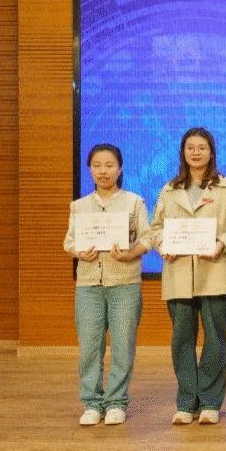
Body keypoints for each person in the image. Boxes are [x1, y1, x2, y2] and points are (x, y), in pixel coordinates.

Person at [152, 127, 226, 426]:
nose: (196, 152)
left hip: (216, 271)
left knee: (215, 339)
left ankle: (210, 402)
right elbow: (156, 228)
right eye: (190, 148)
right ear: (183, 152)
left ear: (211, 152)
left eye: (202, 147)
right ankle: (186, 402)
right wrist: (162, 244)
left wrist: (222, 243)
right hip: (179, 272)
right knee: (182, 339)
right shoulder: (169, 189)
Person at [63, 143, 151, 426]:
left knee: (123, 347)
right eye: (97, 165)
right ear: (90, 169)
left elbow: (148, 238)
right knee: (90, 347)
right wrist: (79, 252)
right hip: (88, 285)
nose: (103, 171)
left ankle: (116, 402)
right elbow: (69, 242)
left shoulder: (134, 202)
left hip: (124, 283)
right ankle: (91, 403)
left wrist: (131, 253)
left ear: (120, 168)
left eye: (109, 165)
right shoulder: (79, 206)